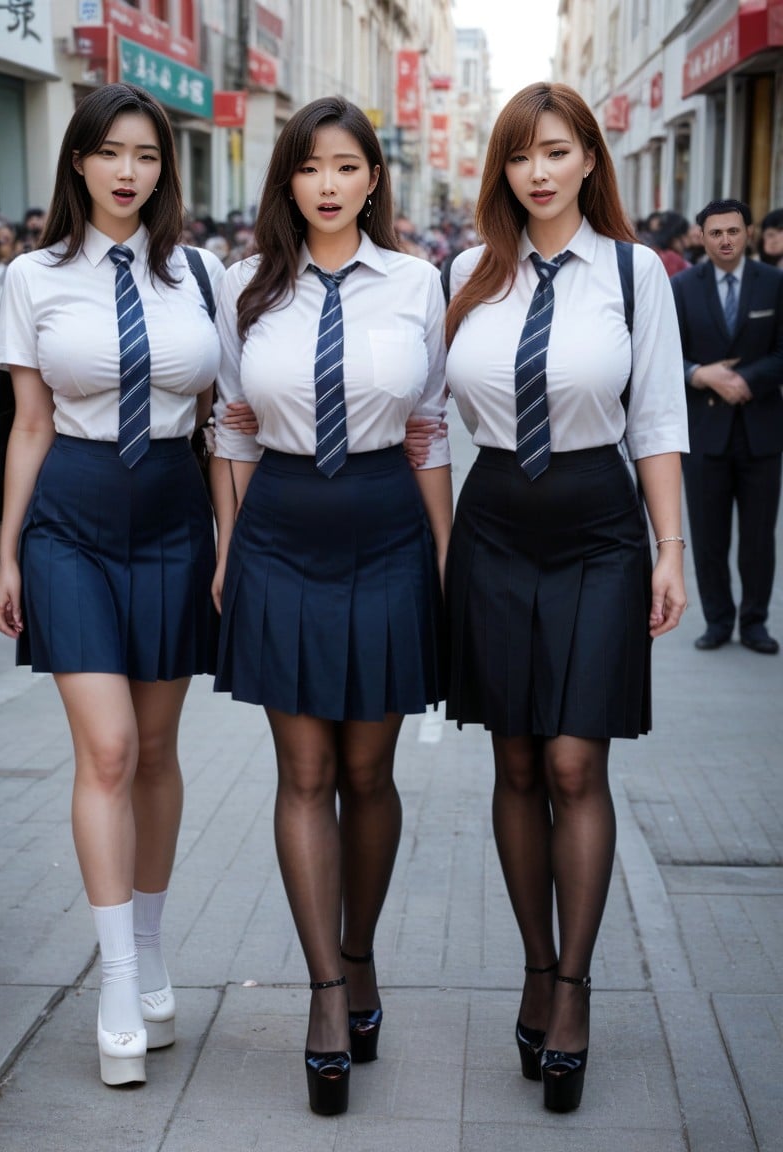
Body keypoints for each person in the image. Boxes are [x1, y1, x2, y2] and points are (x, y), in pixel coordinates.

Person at [443, 83, 688, 1113]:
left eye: (555, 151)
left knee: (574, 757)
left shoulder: (636, 276)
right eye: (517, 156)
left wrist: (670, 549)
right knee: (512, 756)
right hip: (496, 513)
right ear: (500, 171)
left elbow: (658, 420)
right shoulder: (466, 273)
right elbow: (421, 406)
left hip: (596, 521)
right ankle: (536, 966)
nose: (536, 172)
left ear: (591, 158)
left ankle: (577, 987)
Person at [210, 95, 451, 1117]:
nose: (327, 185)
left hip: (388, 522)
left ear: (373, 179)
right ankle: (322, 996)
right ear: (289, 180)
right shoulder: (243, 287)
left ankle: (359, 956)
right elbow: (229, 428)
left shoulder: (418, 282)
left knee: (370, 769)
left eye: (346, 166)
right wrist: (228, 548)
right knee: (303, 770)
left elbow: (431, 428)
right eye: (310, 167)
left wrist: (444, 560)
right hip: (282, 523)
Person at [0, 83, 224, 1086]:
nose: (130, 171)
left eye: (148, 155)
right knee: (112, 748)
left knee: (161, 749)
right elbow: (30, 423)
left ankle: (157, 943)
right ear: (77, 162)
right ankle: (118, 980)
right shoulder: (32, 278)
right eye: (111, 152)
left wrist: (230, 538)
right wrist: (8, 551)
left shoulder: (204, 274)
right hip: (73, 519)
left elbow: (224, 423)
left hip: (175, 510)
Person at [671, 199, 783, 654]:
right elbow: (663, 354)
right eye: (715, 232)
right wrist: (699, 374)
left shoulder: (774, 284)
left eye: (733, 231)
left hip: (761, 430)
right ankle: (717, 620)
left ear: (748, 233)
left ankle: (754, 622)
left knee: (759, 536)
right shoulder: (681, 287)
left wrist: (746, 380)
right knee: (708, 535)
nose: (724, 239)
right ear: (701, 236)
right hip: (703, 431)